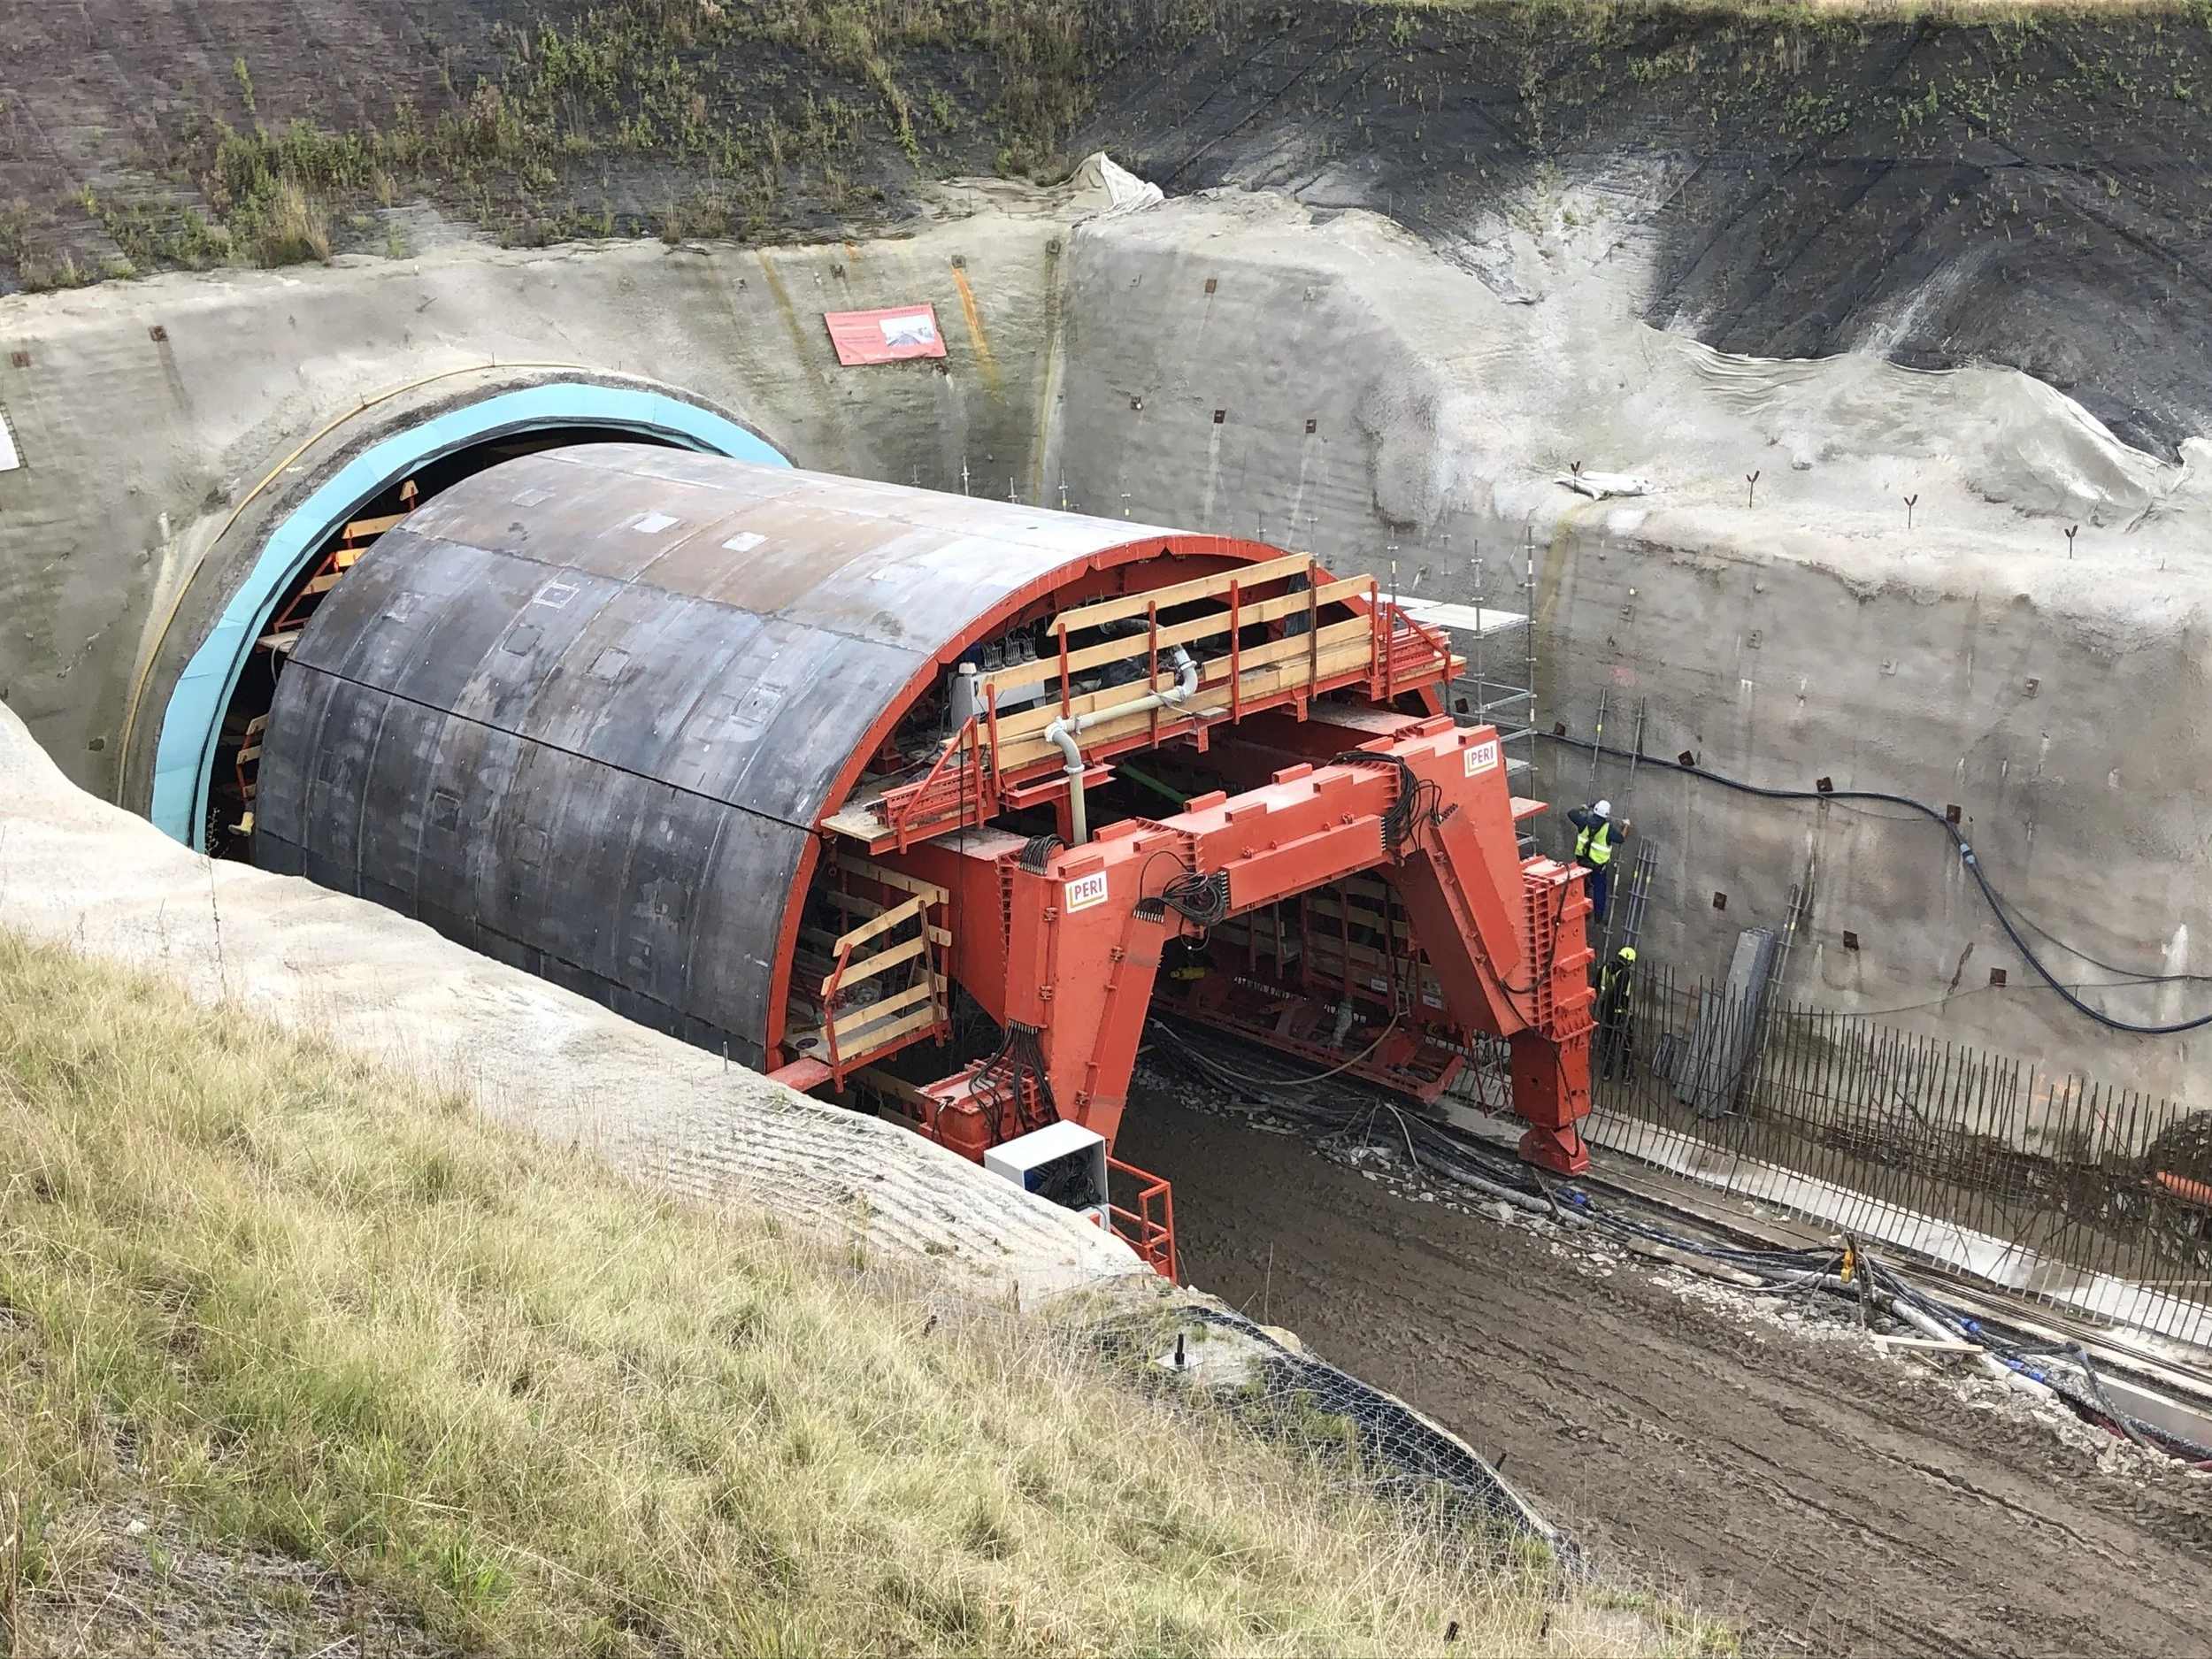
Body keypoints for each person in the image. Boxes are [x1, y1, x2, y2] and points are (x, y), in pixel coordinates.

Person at [1567, 798, 1627, 920]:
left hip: (1581, 865)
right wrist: (1626, 825)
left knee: (1581, 889)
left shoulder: (1584, 822)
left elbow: (1571, 813)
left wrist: (1582, 808)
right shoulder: (1607, 829)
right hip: (1597, 868)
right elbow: (1621, 839)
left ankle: (1581, 915)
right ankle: (1598, 917)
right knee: (1599, 892)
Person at [1595, 945, 1637, 1080]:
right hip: (1619, 1013)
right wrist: (1623, 1013)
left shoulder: (1605, 968)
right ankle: (1626, 1075)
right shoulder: (1624, 973)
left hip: (1605, 1010)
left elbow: (1595, 986)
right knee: (1626, 1043)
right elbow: (1619, 994)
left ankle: (1607, 1073)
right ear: (1629, 961)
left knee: (1609, 1043)